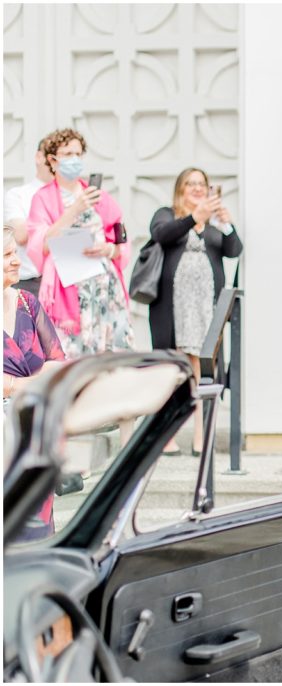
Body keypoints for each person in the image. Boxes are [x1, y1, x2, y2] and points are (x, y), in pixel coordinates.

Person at [148, 168, 243, 456]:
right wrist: (194, 217)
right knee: (174, 371)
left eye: (201, 184)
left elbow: (234, 250)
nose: (197, 188)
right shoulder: (167, 214)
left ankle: (202, 436)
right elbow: (162, 235)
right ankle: (167, 435)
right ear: (180, 189)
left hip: (205, 311)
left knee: (204, 373)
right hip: (173, 310)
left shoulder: (213, 223)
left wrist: (226, 225)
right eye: (190, 184)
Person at [25, 127, 134, 358]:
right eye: (67, 154)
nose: (74, 159)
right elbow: (39, 245)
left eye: (77, 154)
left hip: (103, 287)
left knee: (109, 356)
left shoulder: (99, 196)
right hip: (68, 287)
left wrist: (110, 249)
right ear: (53, 161)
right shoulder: (42, 198)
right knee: (72, 356)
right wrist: (74, 210)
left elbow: (122, 240)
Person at [3, 225, 65, 541]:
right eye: (7, 254)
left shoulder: (28, 302)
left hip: (35, 433)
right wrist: (31, 382)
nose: (17, 261)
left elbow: (59, 364)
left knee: (37, 535)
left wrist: (12, 385)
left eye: (15, 252)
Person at [3, 137, 53, 296]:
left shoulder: (73, 196)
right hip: (29, 285)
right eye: (53, 156)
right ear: (39, 157)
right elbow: (20, 235)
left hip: (65, 285)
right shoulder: (18, 195)